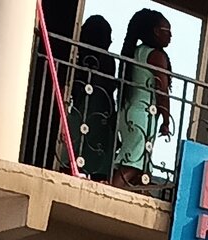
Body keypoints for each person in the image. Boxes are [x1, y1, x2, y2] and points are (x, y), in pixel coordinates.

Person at [112, 9, 173, 189]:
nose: (171, 36)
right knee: (133, 163)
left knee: (137, 163)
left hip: (129, 111)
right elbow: (162, 90)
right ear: (156, 31)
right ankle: (109, 191)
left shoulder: (137, 51)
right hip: (144, 114)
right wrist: (166, 119)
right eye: (167, 31)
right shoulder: (156, 55)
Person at [62, 16, 117, 182]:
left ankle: (69, 169)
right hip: (101, 112)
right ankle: (97, 178)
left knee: (76, 141)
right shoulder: (106, 59)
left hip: (80, 107)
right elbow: (109, 85)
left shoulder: (80, 56)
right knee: (98, 149)